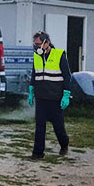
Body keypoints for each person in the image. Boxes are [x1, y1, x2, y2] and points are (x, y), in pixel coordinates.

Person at [27, 30, 71, 159]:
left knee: (58, 127)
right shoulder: (36, 56)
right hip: (41, 97)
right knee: (40, 126)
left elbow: (67, 76)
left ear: (47, 43)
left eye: (38, 44)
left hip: (55, 97)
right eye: (34, 44)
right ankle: (37, 153)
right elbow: (34, 74)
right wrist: (31, 91)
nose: (36, 47)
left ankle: (64, 143)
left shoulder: (59, 55)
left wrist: (66, 94)